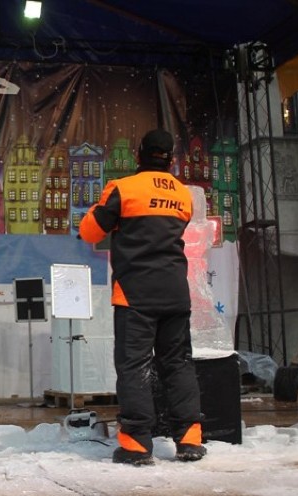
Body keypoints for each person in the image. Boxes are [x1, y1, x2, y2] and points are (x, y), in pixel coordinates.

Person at [78, 128, 206, 466]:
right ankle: (189, 437)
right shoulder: (182, 195)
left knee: (134, 365)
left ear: (140, 153)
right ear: (171, 157)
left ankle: (136, 442)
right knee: (177, 363)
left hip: (136, 294)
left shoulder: (122, 189)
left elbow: (90, 231)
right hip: (176, 292)